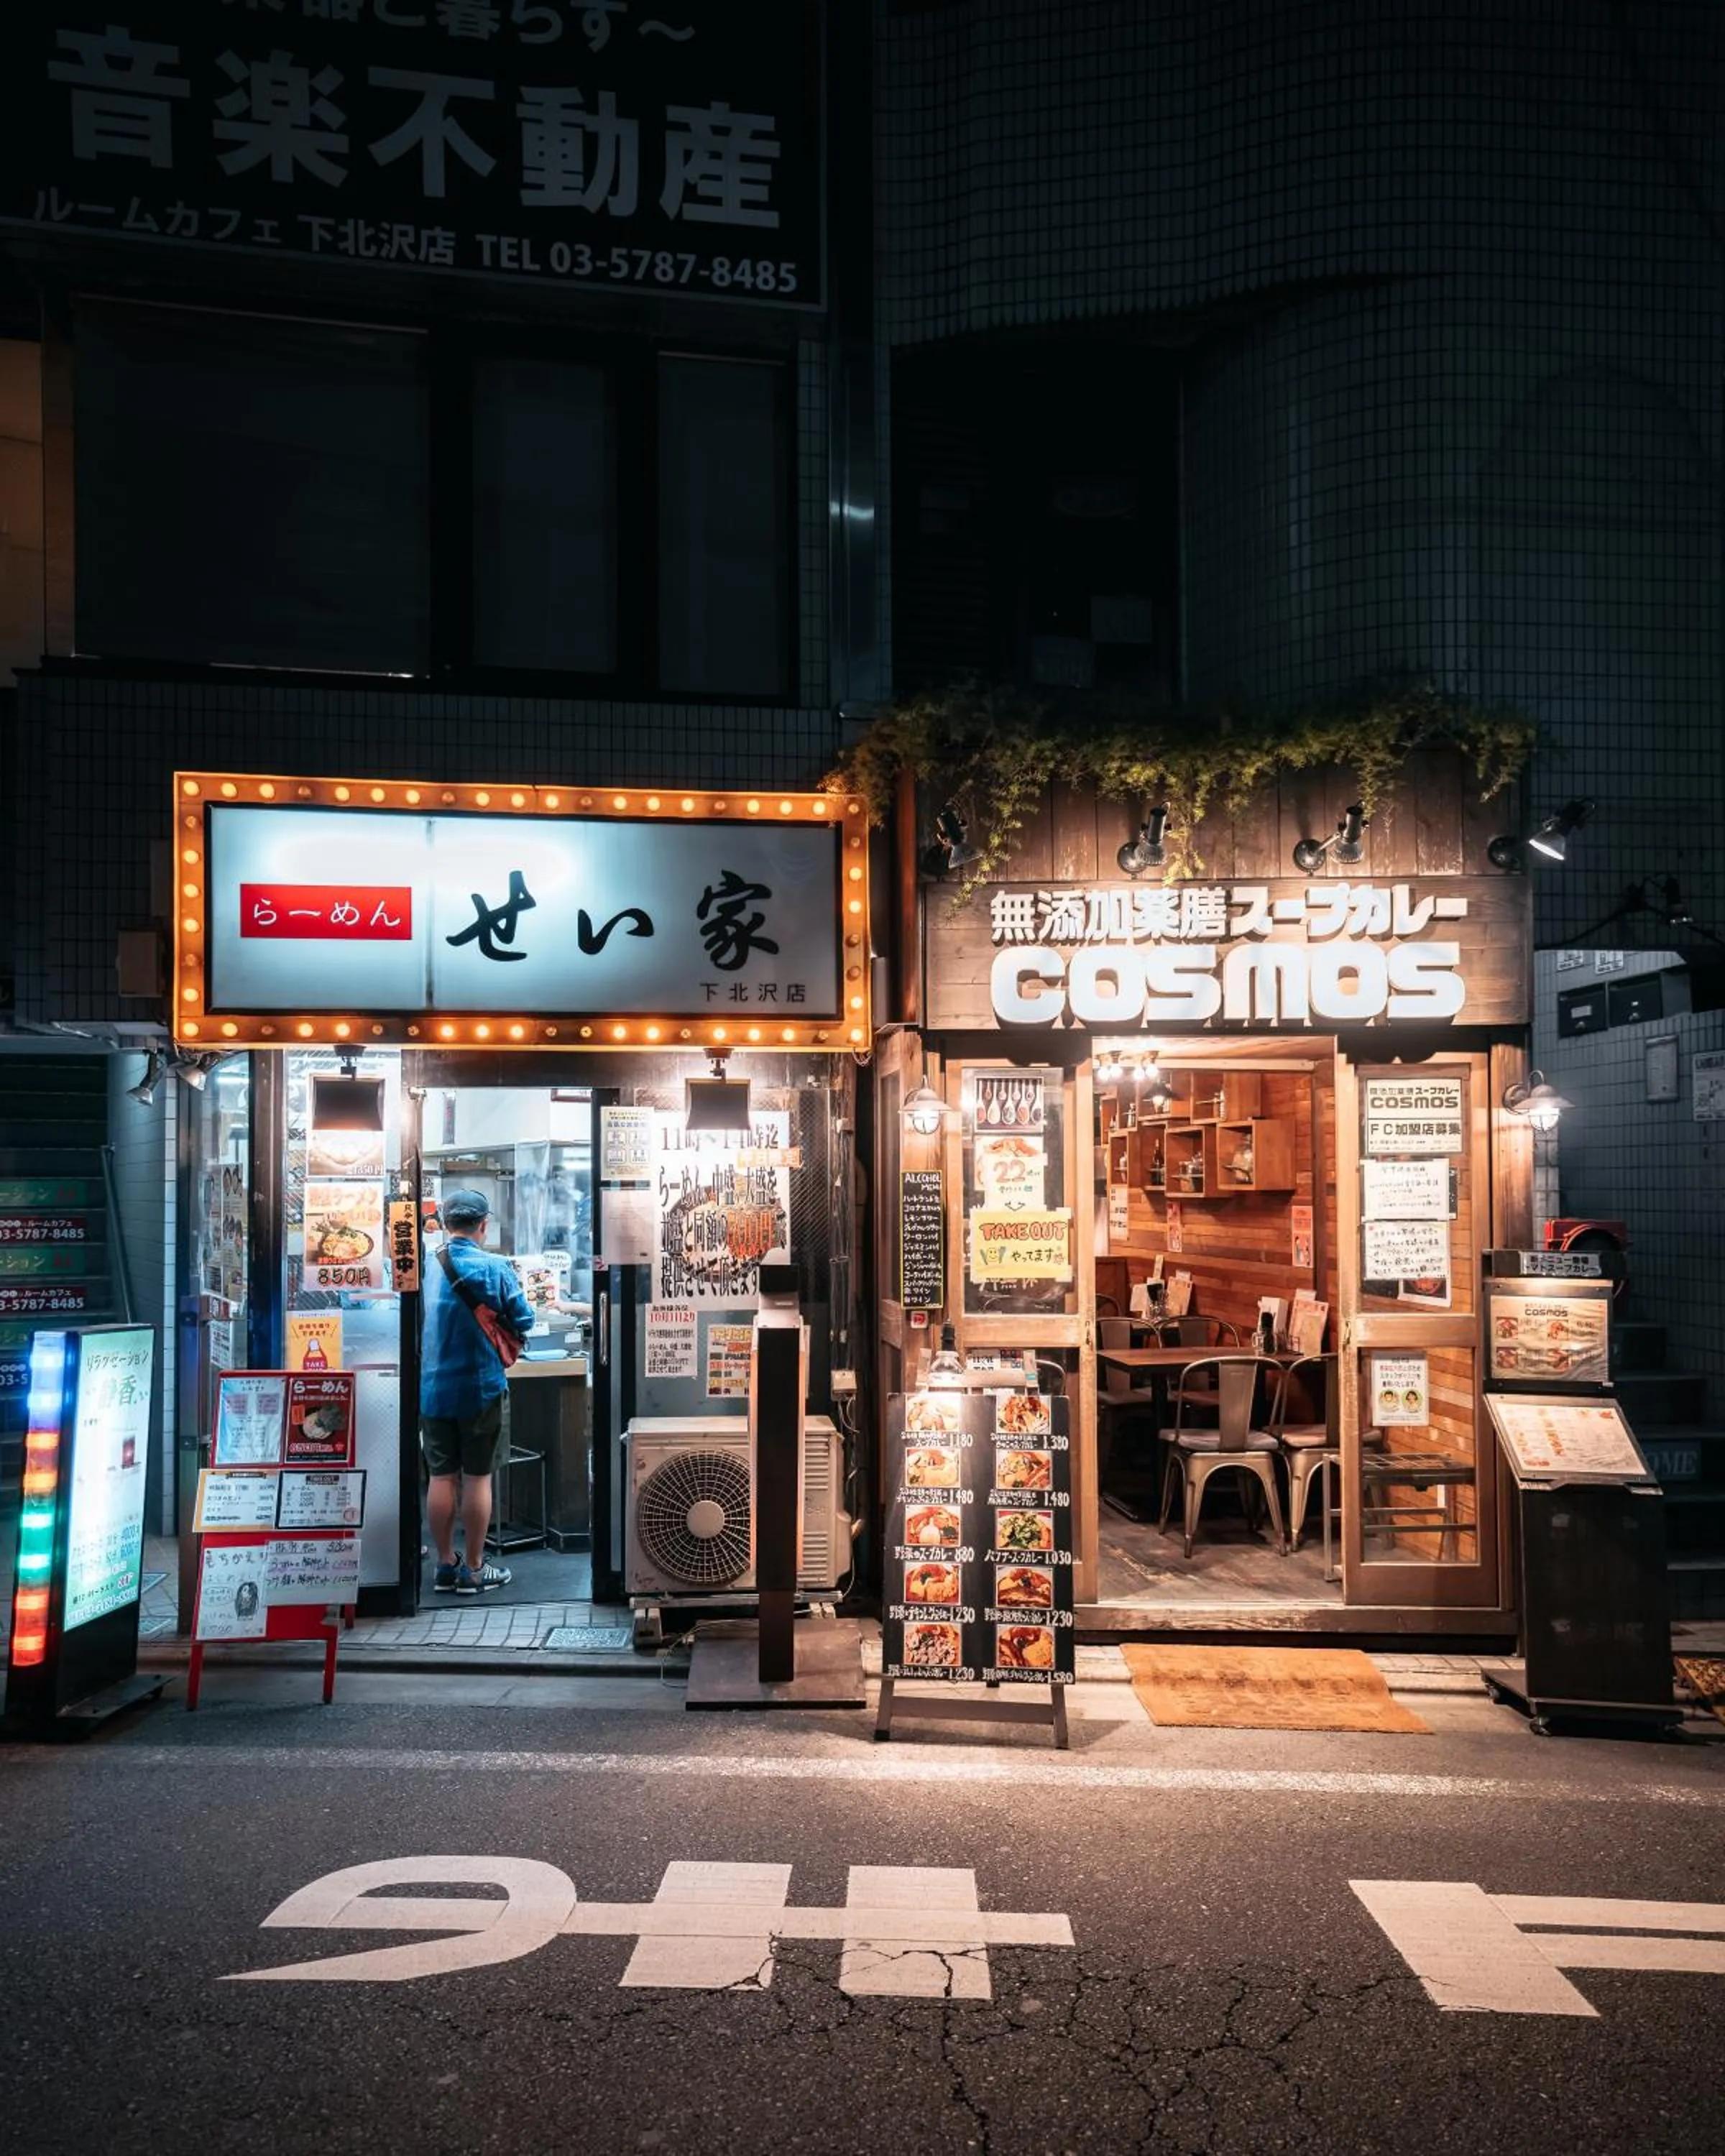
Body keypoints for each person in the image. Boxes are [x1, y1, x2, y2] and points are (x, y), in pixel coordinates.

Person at [420, 1187, 533, 1595]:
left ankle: (444, 1564)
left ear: (446, 1225)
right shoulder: (496, 1267)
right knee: (478, 1478)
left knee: (441, 1477)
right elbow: (525, 1318)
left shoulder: (427, 1268)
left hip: (433, 1390)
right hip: (481, 1388)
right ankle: (473, 1568)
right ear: (484, 1225)